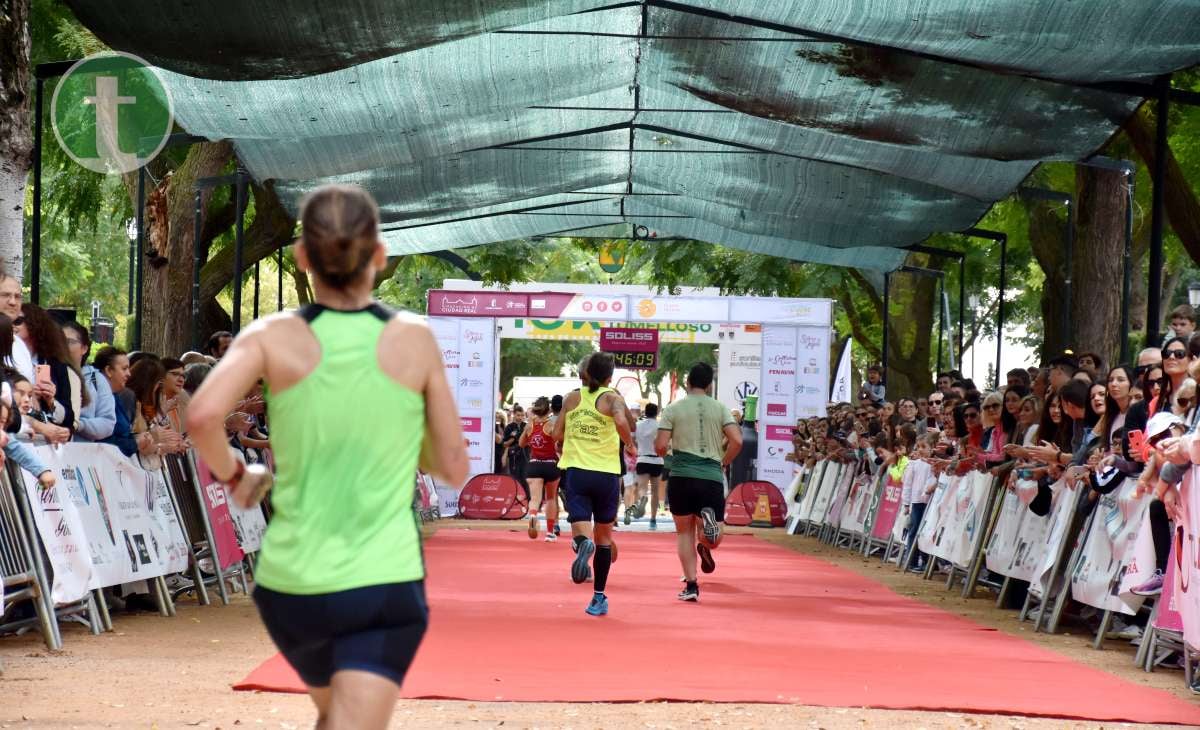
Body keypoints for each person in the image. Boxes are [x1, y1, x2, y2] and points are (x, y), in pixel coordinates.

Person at [188, 183, 468, 729]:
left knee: (337, 713)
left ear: (302, 258)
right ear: (380, 256)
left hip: (294, 582)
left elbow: (200, 417)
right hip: (381, 578)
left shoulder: (271, 335)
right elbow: (452, 465)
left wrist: (236, 474)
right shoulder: (413, 338)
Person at [552, 352, 636, 617]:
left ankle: (581, 543)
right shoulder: (613, 398)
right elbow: (623, 422)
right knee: (605, 539)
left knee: (580, 526)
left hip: (577, 471)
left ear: (585, 373)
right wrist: (630, 445)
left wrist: (568, 440)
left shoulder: (571, 398)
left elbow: (556, 434)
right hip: (607, 474)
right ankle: (598, 598)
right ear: (610, 377)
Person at [654, 363, 742, 602]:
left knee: (684, 533)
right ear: (710, 384)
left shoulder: (673, 409)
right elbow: (737, 440)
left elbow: (660, 445)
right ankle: (708, 532)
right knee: (713, 538)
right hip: (711, 475)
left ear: (687, 383)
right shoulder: (721, 409)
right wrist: (723, 462)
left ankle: (691, 585)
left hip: (682, 474)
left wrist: (669, 458)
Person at [62, 320, 116, 442]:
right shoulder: (48, 372)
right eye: (60, 341)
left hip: (84, 453)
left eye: (69, 342)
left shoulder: (96, 379)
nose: (63, 346)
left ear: (84, 348)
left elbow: (107, 423)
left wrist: (77, 424)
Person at [520, 396, 560, 541]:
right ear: (548, 409)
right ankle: (550, 532)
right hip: (551, 464)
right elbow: (559, 443)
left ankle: (532, 515)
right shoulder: (551, 425)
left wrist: (529, 435)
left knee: (535, 498)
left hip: (534, 464)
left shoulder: (529, 425)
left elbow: (521, 443)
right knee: (550, 499)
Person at [635, 402, 665, 530]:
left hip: (642, 458)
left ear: (645, 412)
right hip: (657, 460)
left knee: (642, 487)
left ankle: (643, 499)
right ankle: (653, 519)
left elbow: (632, 440)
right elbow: (664, 443)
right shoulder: (660, 426)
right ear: (657, 412)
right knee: (655, 491)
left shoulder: (638, 425)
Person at [0, 273, 34, 381]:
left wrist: (42, 395)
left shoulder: (19, 344)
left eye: (17, 297)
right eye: (5, 295)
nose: (13, 302)